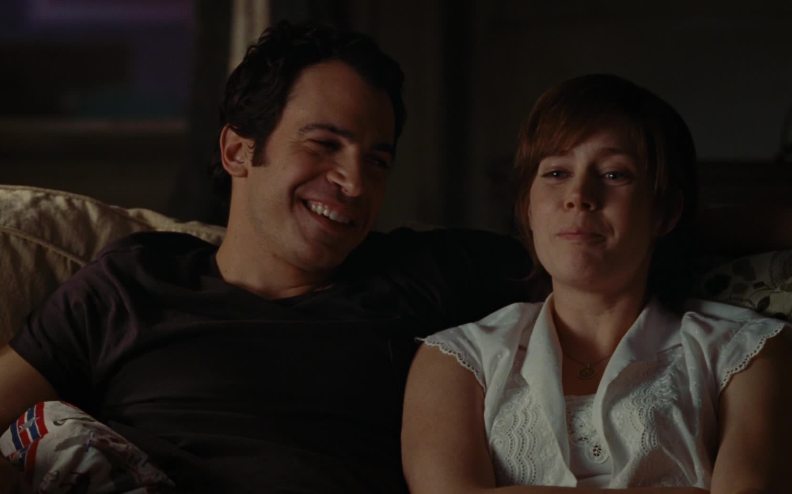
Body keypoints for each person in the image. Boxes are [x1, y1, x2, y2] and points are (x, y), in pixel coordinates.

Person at [0, 21, 532, 493]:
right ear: (238, 151)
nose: (355, 183)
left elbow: (572, 261)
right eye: (324, 144)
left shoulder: (424, 276)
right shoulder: (132, 282)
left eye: (377, 161)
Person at [401, 74, 792, 493]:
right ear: (528, 208)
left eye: (613, 174)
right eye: (556, 172)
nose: (579, 195)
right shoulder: (457, 360)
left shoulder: (744, 354)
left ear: (665, 211)